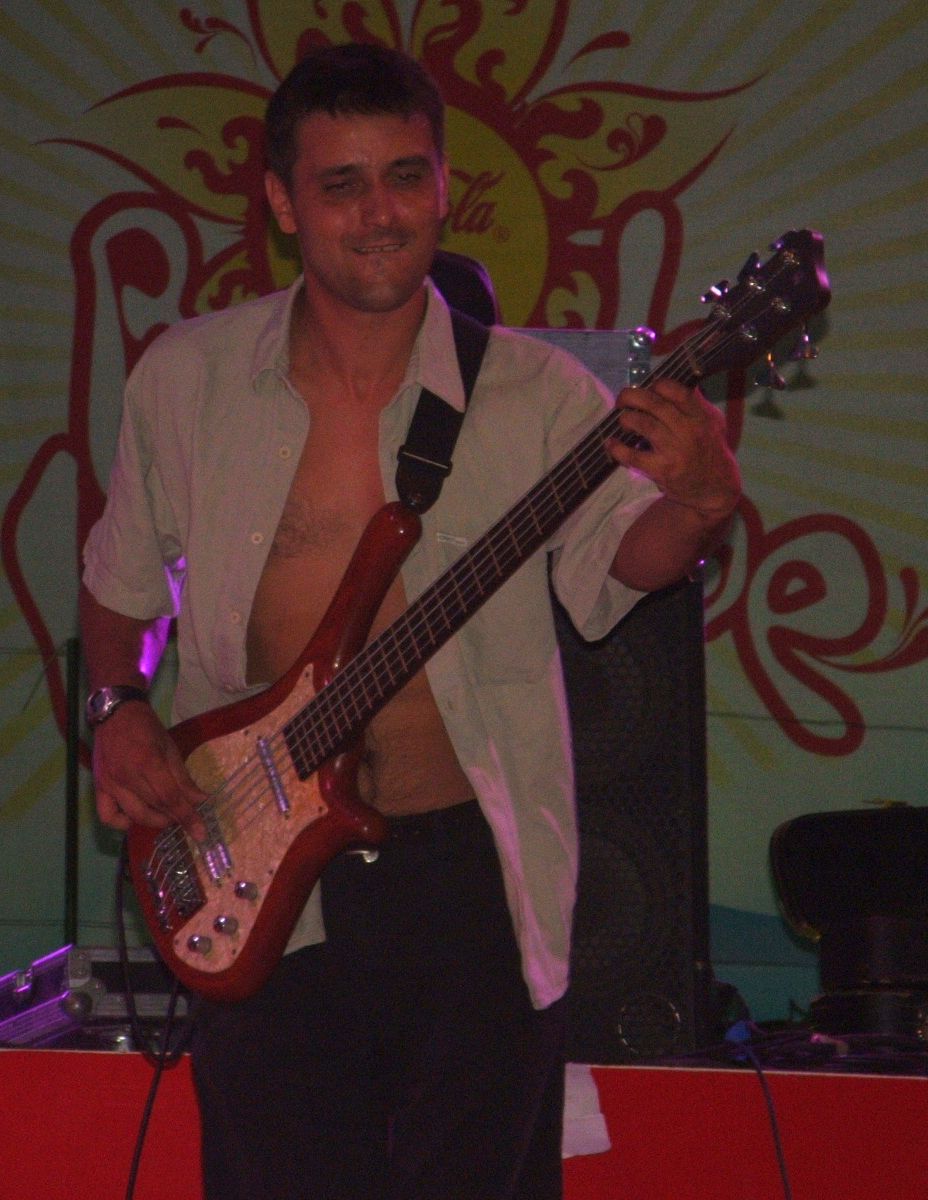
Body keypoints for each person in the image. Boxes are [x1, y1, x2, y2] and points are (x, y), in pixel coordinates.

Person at [79, 42, 741, 1200]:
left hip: (466, 871)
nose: (378, 213)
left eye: (403, 176)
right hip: (259, 871)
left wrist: (698, 503)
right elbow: (120, 585)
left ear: (441, 186)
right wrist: (118, 707)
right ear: (283, 202)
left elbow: (618, 565)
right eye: (340, 184)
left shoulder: (536, 394)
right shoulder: (186, 381)